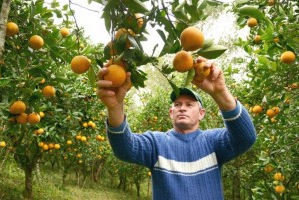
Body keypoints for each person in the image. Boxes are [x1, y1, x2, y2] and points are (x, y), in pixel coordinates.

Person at [96, 57, 256, 200]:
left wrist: (220, 93)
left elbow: (246, 138)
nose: (182, 108)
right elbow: (124, 149)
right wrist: (115, 107)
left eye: (189, 105)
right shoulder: (156, 143)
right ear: (171, 113)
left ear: (201, 114)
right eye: (177, 105)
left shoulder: (212, 142)